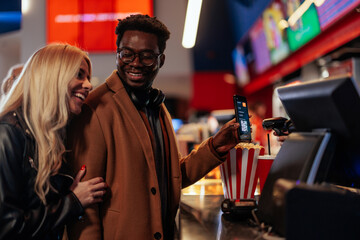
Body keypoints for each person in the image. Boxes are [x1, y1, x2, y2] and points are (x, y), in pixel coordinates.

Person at [66, 14, 240, 240]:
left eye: (147, 56)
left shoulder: (156, 106)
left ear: (161, 60)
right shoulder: (95, 108)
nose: (135, 63)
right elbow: (85, 206)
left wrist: (215, 148)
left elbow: (172, 176)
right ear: (117, 54)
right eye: (127, 54)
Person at [0, 44, 108, 240]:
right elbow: (8, 228)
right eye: (79, 75)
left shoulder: (48, 135)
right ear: (52, 77)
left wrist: (67, 190)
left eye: (88, 78)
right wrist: (73, 202)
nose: (89, 85)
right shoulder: (7, 134)